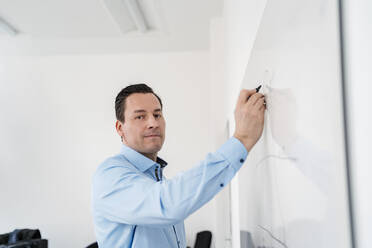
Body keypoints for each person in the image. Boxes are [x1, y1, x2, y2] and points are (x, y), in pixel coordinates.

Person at [91, 83, 266, 247]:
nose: (153, 123)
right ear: (120, 128)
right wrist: (241, 140)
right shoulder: (110, 175)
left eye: (157, 115)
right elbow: (166, 204)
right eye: (140, 116)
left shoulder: (156, 179)